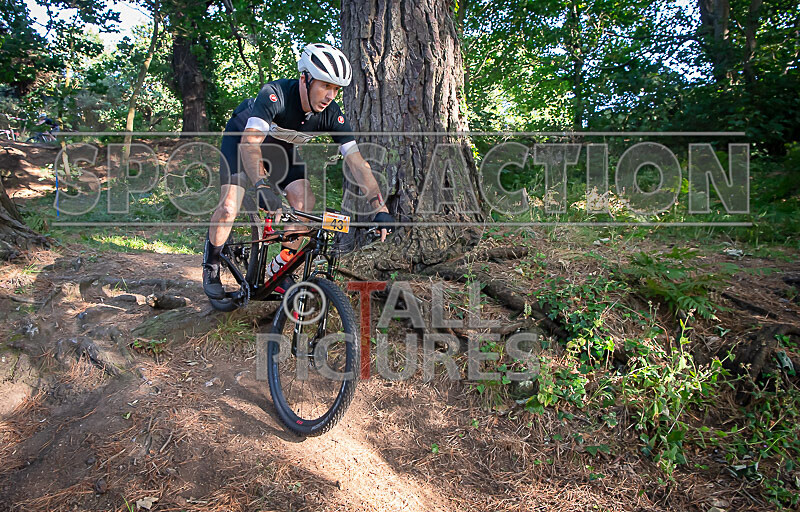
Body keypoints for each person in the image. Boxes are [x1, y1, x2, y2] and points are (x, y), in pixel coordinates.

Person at [202, 43, 395, 300]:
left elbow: (358, 162)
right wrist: (261, 185)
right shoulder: (275, 94)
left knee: (304, 203)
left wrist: (379, 208)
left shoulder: (331, 115)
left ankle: (280, 269)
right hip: (243, 140)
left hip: (280, 149)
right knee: (229, 207)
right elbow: (250, 144)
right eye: (325, 85)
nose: (330, 96)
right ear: (305, 78)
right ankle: (212, 263)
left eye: (336, 89)